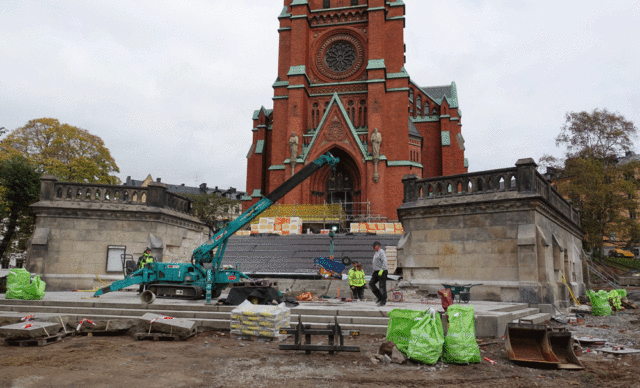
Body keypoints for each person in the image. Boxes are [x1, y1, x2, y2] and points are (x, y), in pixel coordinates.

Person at [369, 241, 388, 306]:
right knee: (371, 284)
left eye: (374, 247)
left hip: (382, 271)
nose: (374, 248)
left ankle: (383, 300)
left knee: (382, 286)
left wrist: (382, 270)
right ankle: (379, 297)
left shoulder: (381, 252)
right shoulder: (376, 253)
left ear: (378, 246)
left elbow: (384, 261)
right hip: (376, 271)